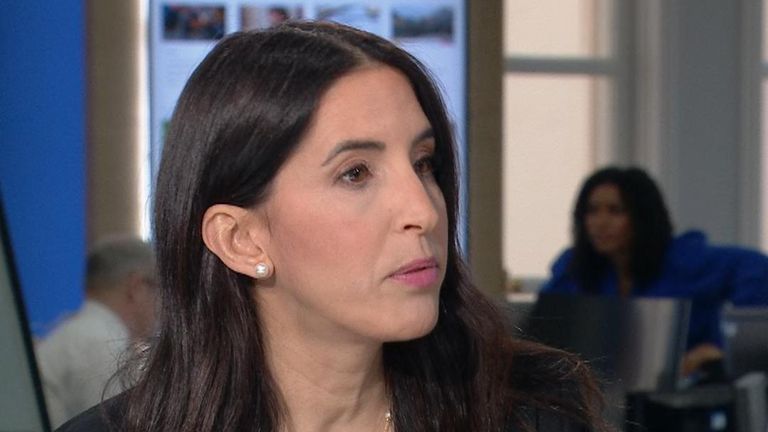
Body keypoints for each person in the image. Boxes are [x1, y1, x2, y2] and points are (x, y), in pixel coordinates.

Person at [58, 21, 608, 432]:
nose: (422, 210)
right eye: (356, 173)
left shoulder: (529, 415)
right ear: (240, 239)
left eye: (424, 164)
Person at [541, 166, 768, 377]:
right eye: (592, 211)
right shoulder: (576, 267)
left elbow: (756, 267)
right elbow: (542, 324)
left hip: (682, 392)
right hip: (604, 392)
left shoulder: (683, 260)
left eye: (615, 211)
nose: (600, 223)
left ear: (642, 216)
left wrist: (724, 346)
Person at [36, 235, 156, 428]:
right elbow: (118, 426)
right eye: (160, 289)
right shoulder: (101, 344)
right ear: (137, 287)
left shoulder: (77, 334)